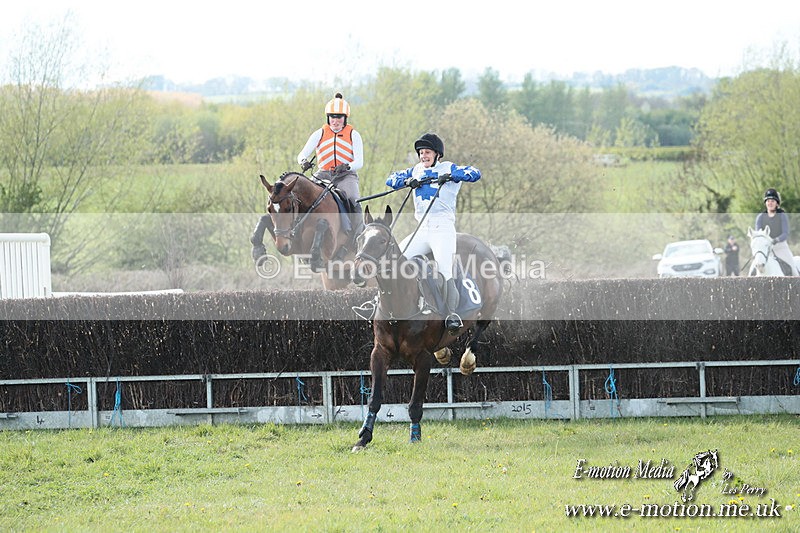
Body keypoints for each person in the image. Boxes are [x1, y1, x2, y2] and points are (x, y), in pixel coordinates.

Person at [385, 133, 481, 334]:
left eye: (427, 152)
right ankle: (383, 304)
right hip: (422, 229)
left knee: (444, 270)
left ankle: (452, 314)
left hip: (442, 229)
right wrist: (407, 181)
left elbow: (474, 172)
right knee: (395, 260)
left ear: (438, 154)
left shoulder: (449, 168)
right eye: (421, 153)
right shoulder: (417, 170)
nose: (423, 156)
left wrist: (454, 176)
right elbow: (390, 179)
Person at [297, 92, 364, 231]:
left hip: (345, 176)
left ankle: (358, 233)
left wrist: (346, 166)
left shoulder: (353, 135)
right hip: (322, 174)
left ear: (345, 118)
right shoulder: (319, 133)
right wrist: (304, 161)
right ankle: (296, 229)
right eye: (332, 117)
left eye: (339, 117)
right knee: (303, 195)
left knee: (353, 198)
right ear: (328, 118)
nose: (335, 120)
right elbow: (301, 154)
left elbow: (360, 162)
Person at [755, 188, 799, 275]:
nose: (770, 203)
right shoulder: (760, 217)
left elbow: (785, 234)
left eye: (772, 201)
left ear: (777, 203)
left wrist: (775, 240)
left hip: (781, 247)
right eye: (768, 201)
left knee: (793, 269)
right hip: (765, 250)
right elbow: (758, 235)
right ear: (765, 203)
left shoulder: (782, 215)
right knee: (752, 270)